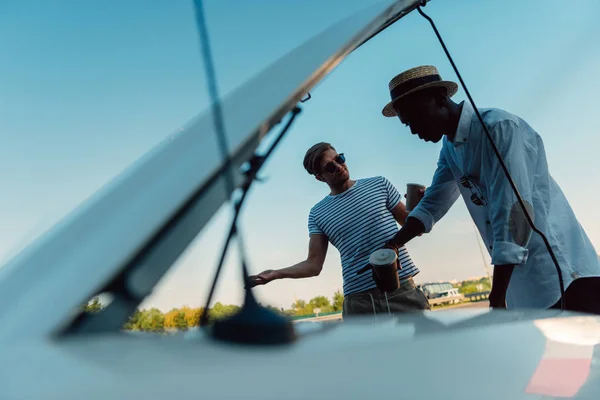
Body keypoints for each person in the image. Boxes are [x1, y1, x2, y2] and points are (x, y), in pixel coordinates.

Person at [378, 65, 600, 314]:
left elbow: (515, 214)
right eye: (407, 125)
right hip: (519, 281)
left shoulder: (498, 128)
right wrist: (393, 245)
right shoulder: (449, 147)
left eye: (415, 117)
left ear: (440, 97)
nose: (413, 130)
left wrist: (496, 297)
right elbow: (433, 203)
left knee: (584, 352)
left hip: (561, 272)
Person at [248, 142, 430, 317]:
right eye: (330, 167)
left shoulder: (379, 184)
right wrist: (276, 274)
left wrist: (421, 206)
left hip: (401, 289)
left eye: (339, 158)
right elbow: (313, 264)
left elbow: (414, 227)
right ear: (320, 177)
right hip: (360, 302)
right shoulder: (317, 214)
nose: (339, 166)